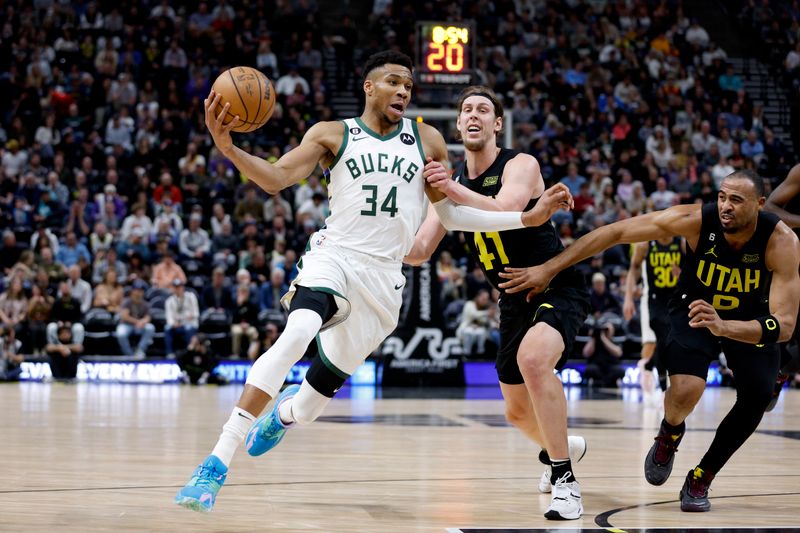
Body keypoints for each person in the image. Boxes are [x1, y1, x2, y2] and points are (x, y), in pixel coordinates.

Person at [175, 51, 560, 513]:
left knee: (310, 407)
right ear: (369, 87)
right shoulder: (331, 134)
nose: (403, 92)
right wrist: (230, 148)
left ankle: (283, 415)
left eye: (409, 87)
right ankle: (216, 462)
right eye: (394, 82)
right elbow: (277, 179)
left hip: (382, 282)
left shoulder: (428, 140)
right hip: (335, 256)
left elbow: (452, 215)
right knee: (297, 332)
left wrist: (525, 217)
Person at [499, 169, 800, 513]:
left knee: (758, 397)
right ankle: (670, 431)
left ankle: (702, 475)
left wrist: (725, 326)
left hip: (749, 320)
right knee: (686, 390)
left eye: (736, 200)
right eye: (721, 196)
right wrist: (549, 268)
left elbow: (786, 326)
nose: (724, 206)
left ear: (760, 205)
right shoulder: (696, 220)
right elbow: (616, 232)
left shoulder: (782, 242)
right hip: (694, 310)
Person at [405, 86, 588, 520]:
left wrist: (448, 187)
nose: (474, 115)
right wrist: (369, 233)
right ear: (458, 124)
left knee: (533, 359)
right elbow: (418, 251)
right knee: (516, 414)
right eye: (466, 109)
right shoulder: (452, 188)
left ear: (496, 124)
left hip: (555, 282)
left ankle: (565, 482)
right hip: (513, 300)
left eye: (483, 109)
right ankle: (563, 448)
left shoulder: (520, 164)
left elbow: (504, 208)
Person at [623, 234, 684, 406]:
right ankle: (654, 386)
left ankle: (651, 367)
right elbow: (633, 269)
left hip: (676, 300)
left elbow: (694, 268)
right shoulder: (645, 245)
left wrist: (683, 274)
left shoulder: (682, 244)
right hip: (652, 300)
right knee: (652, 343)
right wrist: (628, 298)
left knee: (669, 343)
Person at [763, 163, 800, 408]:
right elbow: (768, 208)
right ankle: (776, 371)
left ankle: (781, 369)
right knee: (782, 334)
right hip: (795, 266)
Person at [116, 280, 155, 359]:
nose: (138, 292)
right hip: (126, 325)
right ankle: (129, 355)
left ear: (143, 292)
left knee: (150, 328)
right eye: (136, 290)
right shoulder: (126, 302)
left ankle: (140, 351)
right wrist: (138, 321)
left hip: (139, 327)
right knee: (121, 333)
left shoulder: (145, 304)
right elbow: (124, 316)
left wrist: (143, 321)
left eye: (140, 291)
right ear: (132, 291)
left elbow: (148, 317)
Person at [164, 279, 199, 358]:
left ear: (183, 287)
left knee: (188, 328)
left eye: (179, 287)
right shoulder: (169, 301)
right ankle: (169, 353)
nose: (177, 289)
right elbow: (169, 317)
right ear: (173, 288)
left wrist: (184, 319)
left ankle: (189, 353)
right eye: (175, 287)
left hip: (189, 323)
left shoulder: (191, 296)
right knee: (167, 328)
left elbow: (195, 313)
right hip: (176, 325)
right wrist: (173, 323)